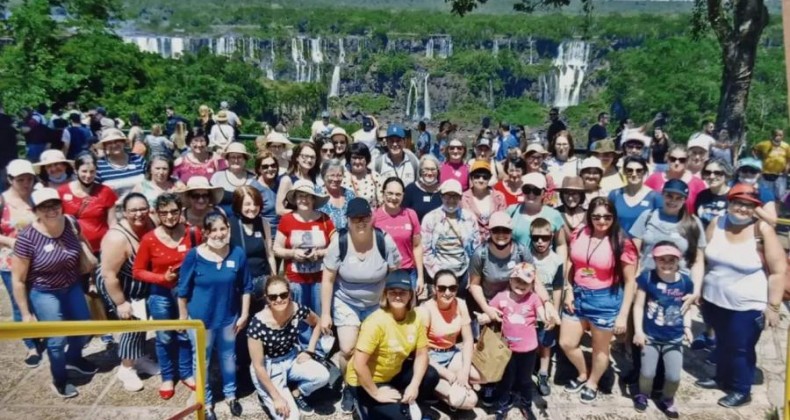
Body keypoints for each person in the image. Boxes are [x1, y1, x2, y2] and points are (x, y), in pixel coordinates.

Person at [695, 183, 786, 408]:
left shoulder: (761, 230)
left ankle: (741, 389)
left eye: (749, 205)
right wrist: (698, 289)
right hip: (714, 300)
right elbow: (702, 257)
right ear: (729, 203)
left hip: (747, 306)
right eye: (738, 203)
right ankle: (722, 378)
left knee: (741, 348)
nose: (742, 209)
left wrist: (773, 307)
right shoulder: (717, 223)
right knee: (723, 343)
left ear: (755, 208)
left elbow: (778, 270)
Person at [12, 188, 97, 398]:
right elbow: (18, 280)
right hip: (45, 292)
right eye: (45, 206)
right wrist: (25, 314)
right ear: (36, 211)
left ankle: (74, 359)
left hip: (72, 285)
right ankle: (59, 379)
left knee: (85, 328)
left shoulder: (70, 223)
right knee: (57, 340)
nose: (52, 210)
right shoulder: (27, 238)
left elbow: (83, 244)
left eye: (55, 204)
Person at [319, 197, 401, 413]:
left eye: (364, 217)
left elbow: (395, 275)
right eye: (355, 219)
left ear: (371, 217)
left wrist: (396, 307)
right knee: (347, 349)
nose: (360, 222)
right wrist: (325, 314)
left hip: (376, 302)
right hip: (346, 301)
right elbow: (327, 280)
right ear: (348, 220)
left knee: (373, 348)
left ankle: (372, 383)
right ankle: (349, 385)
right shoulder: (340, 242)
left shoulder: (384, 241)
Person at [560, 197, 638, 403]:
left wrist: (623, 316)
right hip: (577, 295)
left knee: (600, 348)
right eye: (596, 216)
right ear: (589, 216)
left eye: (607, 216)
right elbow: (571, 262)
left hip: (605, 299)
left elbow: (630, 282)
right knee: (566, 343)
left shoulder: (622, 242)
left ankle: (593, 382)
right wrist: (568, 290)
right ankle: (583, 372)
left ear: (614, 217)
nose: (601, 221)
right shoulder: (579, 232)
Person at [178, 212, 252, 420]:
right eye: (214, 230)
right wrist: (183, 317)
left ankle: (230, 395)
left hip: (228, 318)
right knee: (202, 361)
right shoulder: (194, 255)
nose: (219, 234)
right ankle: (206, 401)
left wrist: (244, 313)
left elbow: (246, 286)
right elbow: (182, 290)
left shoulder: (237, 253)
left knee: (229, 358)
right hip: (201, 322)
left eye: (223, 229)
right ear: (206, 233)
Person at [345, 270, 440, 419]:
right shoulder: (375, 322)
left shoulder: (415, 318)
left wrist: (414, 385)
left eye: (402, 292)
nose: (397, 296)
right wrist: (376, 393)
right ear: (385, 295)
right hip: (365, 381)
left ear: (410, 295)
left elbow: (422, 355)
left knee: (431, 375)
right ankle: (365, 407)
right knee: (404, 417)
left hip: (392, 373)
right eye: (392, 292)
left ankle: (406, 402)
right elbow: (358, 364)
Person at [133, 193, 200, 400]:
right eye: (164, 213)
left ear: (180, 211)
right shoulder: (149, 239)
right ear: (157, 214)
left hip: (187, 293)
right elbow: (138, 271)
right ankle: (168, 377)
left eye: (174, 211)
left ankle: (186, 372)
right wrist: (162, 277)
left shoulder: (192, 233)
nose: (170, 216)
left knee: (184, 335)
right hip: (160, 294)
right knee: (164, 337)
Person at [96, 192, 159, 392]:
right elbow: (108, 274)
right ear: (124, 212)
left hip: (138, 281)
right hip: (118, 284)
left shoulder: (151, 222)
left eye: (143, 208)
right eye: (133, 210)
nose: (139, 214)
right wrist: (121, 302)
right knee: (132, 321)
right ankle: (126, 368)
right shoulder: (116, 237)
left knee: (142, 321)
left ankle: (138, 357)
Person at [247, 276, 330, 419]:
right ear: (267, 298)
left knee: (323, 376)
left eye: (283, 295)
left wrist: (310, 351)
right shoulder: (257, 324)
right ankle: (267, 394)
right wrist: (276, 398)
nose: (279, 300)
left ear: (289, 294)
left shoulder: (296, 309)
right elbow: (258, 366)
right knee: (291, 417)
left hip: (291, 358)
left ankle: (296, 393)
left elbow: (317, 322)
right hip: (269, 367)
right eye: (273, 297)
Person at [631, 241, 694, 417]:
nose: (666, 264)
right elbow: (638, 306)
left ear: (678, 260)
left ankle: (668, 399)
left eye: (671, 260)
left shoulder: (685, 282)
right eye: (662, 260)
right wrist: (638, 331)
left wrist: (688, 327)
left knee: (674, 376)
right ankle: (643, 394)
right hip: (650, 336)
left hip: (674, 338)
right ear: (655, 260)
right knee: (647, 372)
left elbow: (686, 307)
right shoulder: (647, 278)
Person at [479, 262, 545, 420]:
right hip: (507, 349)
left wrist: (546, 317)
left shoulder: (534, 299)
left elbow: (542, 313)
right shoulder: (501, 297)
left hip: (528, 349)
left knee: (525, 380)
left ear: (532, 285)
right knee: (505, 380)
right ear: (510, 280)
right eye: (517, 280)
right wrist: (483, 317)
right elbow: (491, 312)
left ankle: (526, 405)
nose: (521, 285)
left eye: (525, 282)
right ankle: (502, 406)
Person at [418, 270, 479, 411]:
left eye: (452, 288)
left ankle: (448, 389)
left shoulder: (461, 304)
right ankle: (433, 390)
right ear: (434, 289)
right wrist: (449, 375)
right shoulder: (425, 310)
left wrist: (464, 370)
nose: (447, 292)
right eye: (442, 288)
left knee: (478, 375)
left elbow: (468, 339)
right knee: (471, 401)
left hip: (451, 353)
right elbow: (420, 352)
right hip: (430, 359)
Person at [0, 159, 41, 366]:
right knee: (20, 303)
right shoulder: (2, 200)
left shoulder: (38, 196)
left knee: (40, 299)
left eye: (29, 178)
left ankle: (45, 333)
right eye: (20, 179)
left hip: (41, 260)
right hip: (11, 261)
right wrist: (10, 241)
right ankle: (31, 344)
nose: (26, 183)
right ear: (10, 179)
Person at [273, 180, 334, 320]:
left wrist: (320, 253)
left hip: (320, 279)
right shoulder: (286, 220)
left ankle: (319, 342)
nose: (304, 200)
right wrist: (293, 253)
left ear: (313, 199)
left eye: (308, 196)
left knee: (319, 318)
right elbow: (276, 248)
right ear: (295, 199)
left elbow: (336, 244)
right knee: (299, 319)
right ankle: (302, 342)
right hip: (295, 281)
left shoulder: (324, 219)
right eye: (300, 196)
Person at [422, 180, 481, 296]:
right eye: (447, 196)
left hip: (463, 272)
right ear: (441, 196)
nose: (451, 200)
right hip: (437, 272)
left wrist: (471, 274)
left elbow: (476, 248)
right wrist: (437, 275)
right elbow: (426, 249)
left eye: (455, 196)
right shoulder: (430, 218)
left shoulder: (469, 218)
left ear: (460, 198)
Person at [529, 218, 564, 398]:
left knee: (545, 342)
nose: (540, 242)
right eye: (535, 238)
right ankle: (526, 374)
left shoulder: (556, 261)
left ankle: (543, 373)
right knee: (528, 342)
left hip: (548, 305)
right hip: (528, 306)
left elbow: (558, 288)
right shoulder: (526, 256)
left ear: (551, 237)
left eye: (544, 237)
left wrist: (555, 311)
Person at [373, 177, 425, 295]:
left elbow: (417, 246)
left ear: (403, 196)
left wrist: (420, 277)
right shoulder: (374, 217)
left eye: (398, 194)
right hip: (382, 274)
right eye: (390, 193)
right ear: (383, 193)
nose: (394, 198)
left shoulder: (411, 215)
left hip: (407, 272)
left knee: (408, 310)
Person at [59, 153, 118, 254]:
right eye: (84, 171)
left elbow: (112, 222)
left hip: (102, 247)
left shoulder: (105, 191)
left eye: (92, 171)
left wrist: (114, 244)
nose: (88, 175)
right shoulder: (62, 192)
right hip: (73, 248)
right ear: (76, 170)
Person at [228, 186, 276, 306]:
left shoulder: (263, 223)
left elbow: (269, 254)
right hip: (239, 285)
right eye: (247, 204)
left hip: (261, 282)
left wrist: (274, 278)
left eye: (256, 204)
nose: (253, 208)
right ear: (239, 205)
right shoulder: (229, 224)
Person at [506, 173, 567, 261]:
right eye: (527, 189)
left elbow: (561, 244)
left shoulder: (554, 215)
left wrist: (561, 268)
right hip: (516, 268)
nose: (531, 194)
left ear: (544, 193)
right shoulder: (511, 211)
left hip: (544, 269)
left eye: (536, 190)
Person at [608, 156, 663, 235]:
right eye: (629, 170)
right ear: (624, 171)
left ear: (644, 172)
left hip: (642, 245)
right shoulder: (615, 195)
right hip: (617, 243)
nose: (634, 174)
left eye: (639, 170)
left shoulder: (655, 197)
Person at [644, 145, 706, 213]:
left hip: (685, 222)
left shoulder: (698, 184)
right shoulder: (654, 178)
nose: (677, 163)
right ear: (667, 159)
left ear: (687, 161)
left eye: (682, 160)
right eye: (673, 159)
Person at [461, 160, 507, 241]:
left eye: (485, 177)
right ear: (471, 177)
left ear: (489, 178)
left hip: (495, 240)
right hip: (472, 240)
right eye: (477, 176)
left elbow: (502, 220)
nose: (481, 180)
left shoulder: (499, 197)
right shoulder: (464, 198)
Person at [95, 128, 146, 199]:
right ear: (104, 146)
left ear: (123, 142)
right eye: (109, 142)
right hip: (114, 208)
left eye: (117, 141)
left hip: (140, 208)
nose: (114, 145)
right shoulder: (99, 165)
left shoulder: (138, 159)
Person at [275, 143, 321, 216]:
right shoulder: (287, 180)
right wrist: (301, 215)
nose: (309, 160)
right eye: (305, 156)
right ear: (297, 157)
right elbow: (279, 210)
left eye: (312, 157)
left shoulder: (314, 179)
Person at [210, 142, 255, 212]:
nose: (236, 160)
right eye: (233, 157)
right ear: (227, 159)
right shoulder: (217, 177)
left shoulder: (253, 179)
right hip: (221, 218)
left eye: (239, 157)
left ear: (245, 159)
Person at [734, 157, 779, 225]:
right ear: (738, 172)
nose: (748, 173)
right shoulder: (729, 188)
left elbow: (772, 221)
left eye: (753, 171)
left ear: (760, 174)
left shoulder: (765, 193)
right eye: (744, 170)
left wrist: (752, 204)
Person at [752, 128, 790, 202]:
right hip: (766, 173)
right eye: (776, 135)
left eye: (780, 135)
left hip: (780, 174)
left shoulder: (786, 146)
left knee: (779, 197)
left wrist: (787, 167)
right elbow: (754, 149)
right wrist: (757, 160)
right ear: (772, 135)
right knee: (765, 195)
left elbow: (789, 158)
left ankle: (776, 212)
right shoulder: (765, 144)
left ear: (783, 136)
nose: (778, 137)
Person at [318, 159, 356, 230]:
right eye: (332, 175)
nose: (335, 179)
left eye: (339, 175)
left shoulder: (350, 195)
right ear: (323, 176)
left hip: (347, 238)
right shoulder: (316, 194)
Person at [695, 158, 734, 227]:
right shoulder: (701, 195)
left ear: (726, 174)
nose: (711, 176)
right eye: (707, 172)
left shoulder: (734, 196)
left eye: (717, 173)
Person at [402, 154, 442, 222]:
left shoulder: (443, 190)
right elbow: (403, 214)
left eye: (433, 169)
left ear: (438, 171)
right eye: (426, 169)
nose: (429, 173)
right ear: (420, 171)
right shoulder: (411, 189)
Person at [343, 143, 382, 208]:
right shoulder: (343, 178)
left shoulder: (375, 177)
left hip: (372, 217)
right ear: (349, 159)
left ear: (366, 159)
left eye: (361, 158)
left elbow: (381, 202)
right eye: (354, 158)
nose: (357, 161)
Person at [251, 151, 281, 237]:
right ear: (259, 169)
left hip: (283, 233)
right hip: (266, 234)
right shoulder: (254, 188)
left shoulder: (281, 183)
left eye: (273, 165)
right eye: (265, 167)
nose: (270, 169)